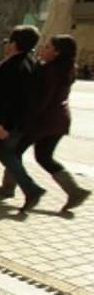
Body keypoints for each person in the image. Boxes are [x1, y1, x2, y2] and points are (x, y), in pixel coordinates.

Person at [15, 34, 91, 213]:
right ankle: (74, 191)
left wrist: (28, 121)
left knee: (14, 153)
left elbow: (42, 100)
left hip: (44, 121)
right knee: (43, 156)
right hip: (59, 119)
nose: (43, 49)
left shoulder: (48, 71)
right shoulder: (67, 68)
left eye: (48, 47)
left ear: (57, 52)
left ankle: (29, 190)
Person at [0, 25, 41, 210]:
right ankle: (9, 188)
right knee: (13, 154)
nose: (6, 44)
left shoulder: (11, 66)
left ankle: (31, 188)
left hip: (9, 123)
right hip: (23, 121)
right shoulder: (32, 62)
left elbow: (0, 98)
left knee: (5, 153)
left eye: (9, 40)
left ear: (15, 44)